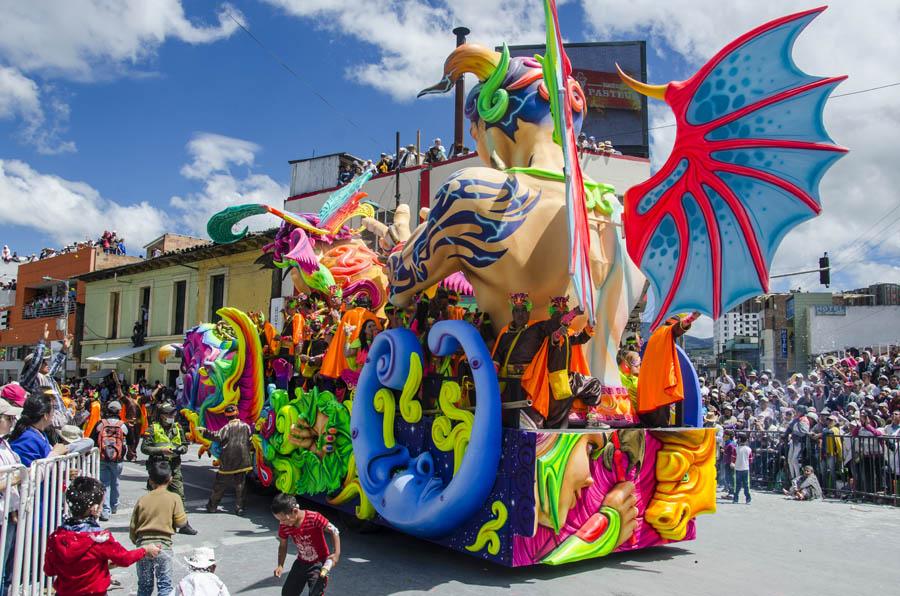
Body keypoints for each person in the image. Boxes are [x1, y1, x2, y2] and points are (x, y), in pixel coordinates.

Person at [45, 476, 160, 595]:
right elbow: (124, 558)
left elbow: (49, 570)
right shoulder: (100, 538)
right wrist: (144, 550)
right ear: (94, 509)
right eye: (101, 504)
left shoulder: (56, 537)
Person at [131, 461, 189, 596]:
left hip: (143, 548)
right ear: (170, 479)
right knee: (164, 585)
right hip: (163, 547)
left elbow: (133, 526)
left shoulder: (143, 499)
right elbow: (181, 522)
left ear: (150, 480)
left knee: (144, 586)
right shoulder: (174, 498)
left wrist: (137, 542)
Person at [141, 401, 197, 534]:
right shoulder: (152, 429)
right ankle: (156, 524)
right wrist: (161, 450)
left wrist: (181, 449)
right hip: (158, 466)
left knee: (179, 495)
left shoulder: (177, 427)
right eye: (169, 413)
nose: (172, 415)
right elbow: (144, 448)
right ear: (162, 415)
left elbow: (184, 444)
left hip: (174, 466)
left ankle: (183, 524)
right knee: (156, 496)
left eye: (173, 413)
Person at [272, 493, 341, 596]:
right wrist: (280, 565)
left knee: (315, 593)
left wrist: (336, 554)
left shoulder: (314, 517)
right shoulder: (285, 525)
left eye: (284, 519)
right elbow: (282, 545)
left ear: (295, 511)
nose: (282, 523)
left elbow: (334, 531)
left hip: (319, 564)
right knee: (287, 593)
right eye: (279, 520)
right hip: (301, 562)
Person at [200, 405, 253, 515]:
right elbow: (250, 441)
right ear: (237, 413)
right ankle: (240, 508)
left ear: (226, 416)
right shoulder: (246, 426)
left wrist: (205, 432)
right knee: (240, 485)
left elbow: (217, 437)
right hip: (243, 459)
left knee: (220, 485)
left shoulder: (227, 428)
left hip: (228, 460)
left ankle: (212, 506)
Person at [0, 399, 23, 593]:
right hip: (2, 513)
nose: (12, 421)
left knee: (6, 565)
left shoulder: (5, 443)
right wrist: (14, 479)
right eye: (8, 418)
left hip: (8, 511)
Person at [9, 395, 68, 466]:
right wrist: (56, 453)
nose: (54, 414)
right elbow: (32, 471)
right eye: (53, 411)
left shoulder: (40, 433)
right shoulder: (26, 438)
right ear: (46, 415)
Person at [94, 400, 127, 521]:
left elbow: (92, 438)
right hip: (118, 459)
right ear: (119, 411)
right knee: (116, 482)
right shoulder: (122, 425)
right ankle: (114, 506)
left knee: (105, 483)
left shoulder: (101, 424)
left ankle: (105, 510)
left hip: (103, 457)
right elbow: (132, 439)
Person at [732, 434, 753, 504]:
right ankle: (748, 498)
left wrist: (733, 464)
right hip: (746, 468)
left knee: (737, 485)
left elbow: (733, 459)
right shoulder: (749, 449)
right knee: (746, 484)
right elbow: (750, 460)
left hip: (737, 469)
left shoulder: (736, 449)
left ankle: (735, 499)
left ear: (739, 440)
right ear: (746, 440)